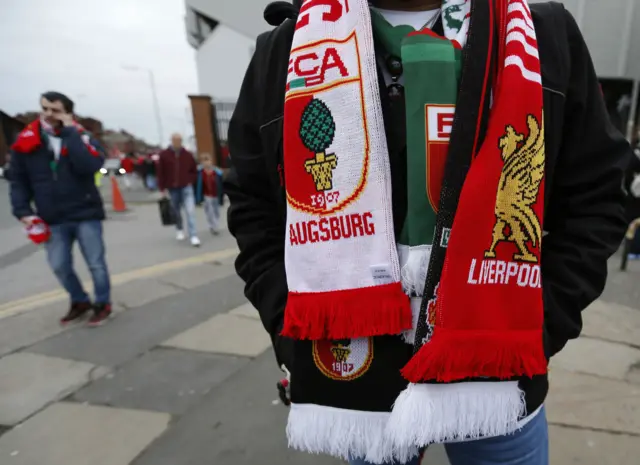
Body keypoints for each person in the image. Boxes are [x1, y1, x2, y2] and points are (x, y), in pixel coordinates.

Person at [225, 1, 630, 465]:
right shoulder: (289, 46)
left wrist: (542, 324)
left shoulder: (541, 32)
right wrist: (288, 325)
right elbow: (252, 201)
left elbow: (597, 191)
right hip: (357, 377)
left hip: (499, 376)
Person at [10, 91, 113, 326]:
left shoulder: (81, 136)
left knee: (96, 264)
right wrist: (23, 210)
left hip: (85, 212)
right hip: (52, 216)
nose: (48, 114)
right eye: (44, 108)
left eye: (55, 110)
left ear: (67, 113)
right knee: (59, 265)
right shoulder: (26, 141)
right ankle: (80, 300)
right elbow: (19, 180)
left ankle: (102, 303)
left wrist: (70, 132)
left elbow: (89, 166)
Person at [157, 133, 200, 246]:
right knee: (176, 210)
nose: (178, 142)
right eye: (175, 140)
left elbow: (194, 170)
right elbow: (160, 172)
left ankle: (193, 235)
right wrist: (162, 188)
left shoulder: (187, 155)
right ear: (171, 141)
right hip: (172, 187)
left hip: (186, 186)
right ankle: (179, 229)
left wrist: (190, 180)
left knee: (190, 211)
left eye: (180, 140)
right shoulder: (164, 155)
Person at [196, 152, 224, 235]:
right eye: (204, 161)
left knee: (216, 212)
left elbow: (221, 185)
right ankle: (214, 227)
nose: (206, 163)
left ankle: (214, 224)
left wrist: (222, 194)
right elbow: (198, 186)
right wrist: (198, 198)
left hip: (216, 195)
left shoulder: (217, 172)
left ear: (211, 161)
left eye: (208, 160)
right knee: (209, 212)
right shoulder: (200, 173)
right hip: (206, 195)